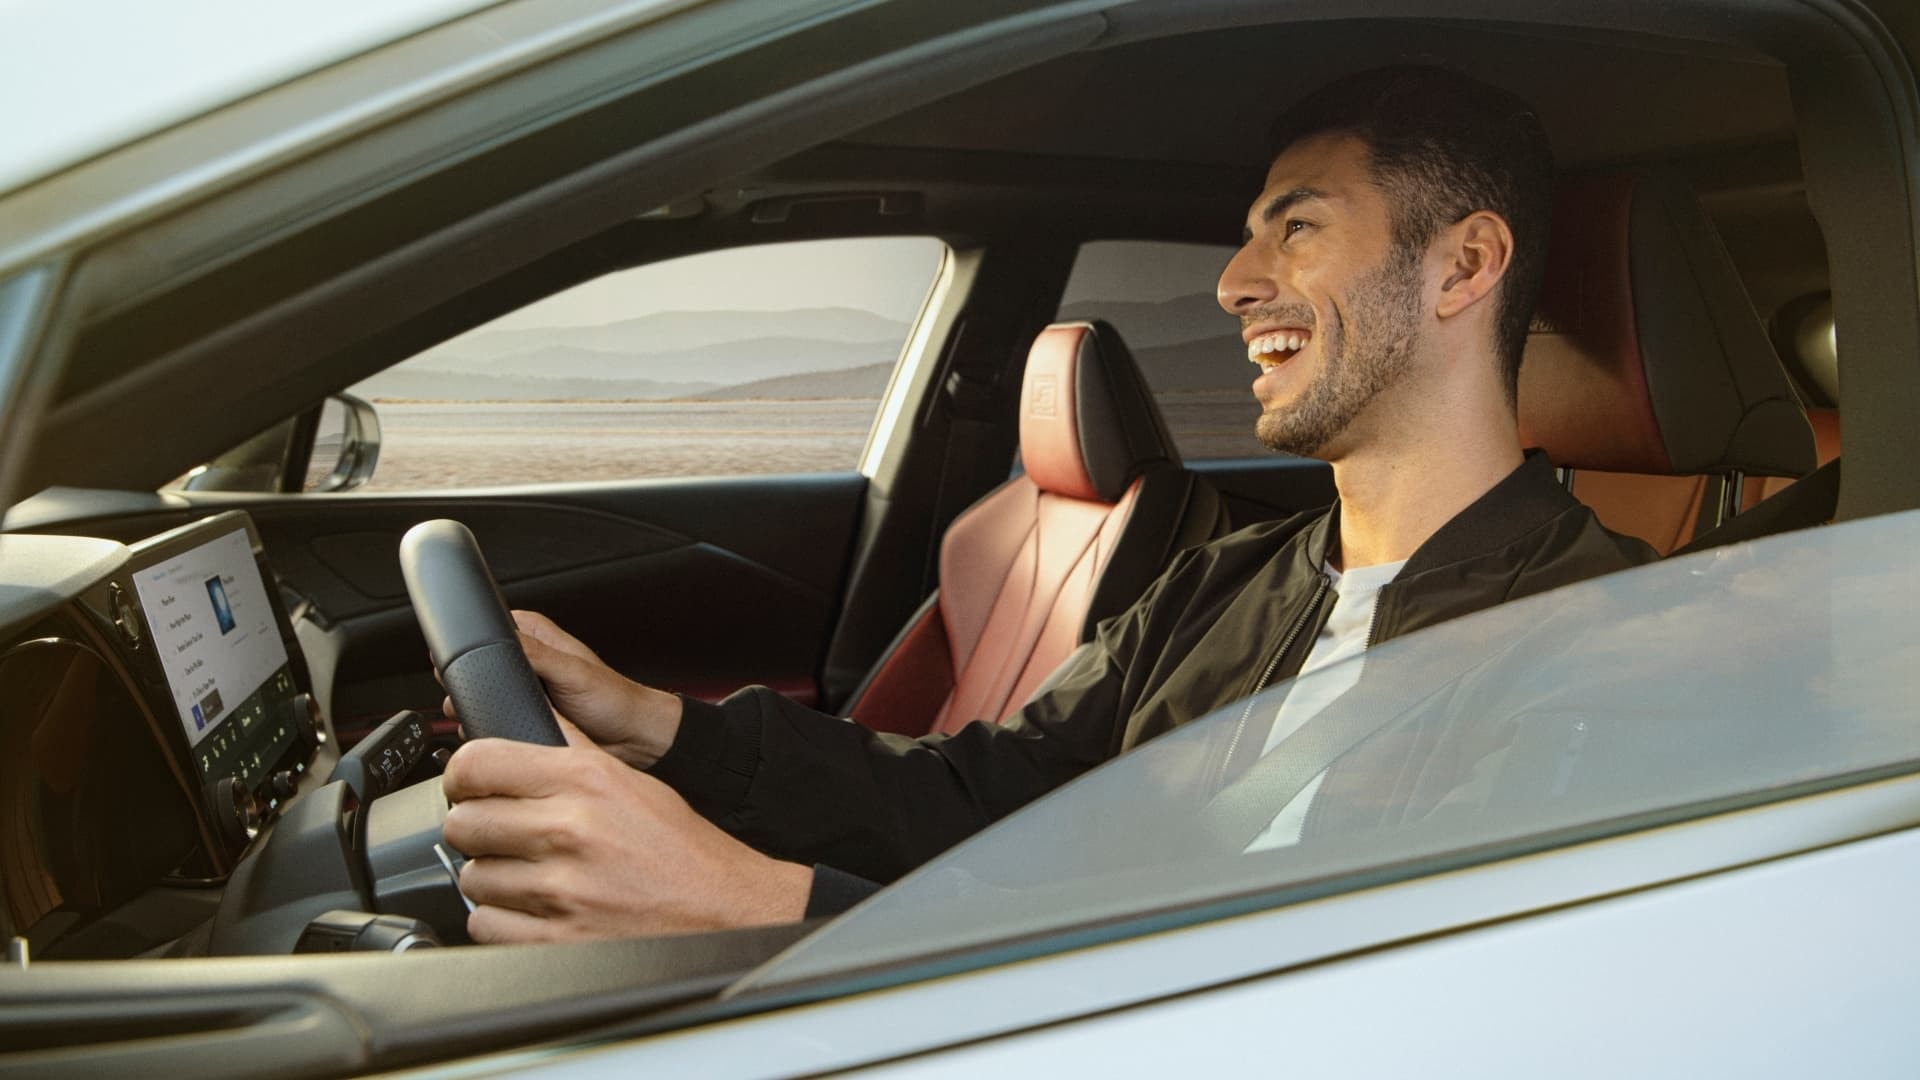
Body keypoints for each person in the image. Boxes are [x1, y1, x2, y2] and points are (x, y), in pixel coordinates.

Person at [437, 65, 1658, 942]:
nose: (1236, 283)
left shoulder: (1599, 645)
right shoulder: (1224, 584)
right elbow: (981, 797)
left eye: (1298, 229)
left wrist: (760, 905)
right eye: (1250, 238)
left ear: (1464, 266)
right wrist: (662, 727)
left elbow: (1335, 1009)